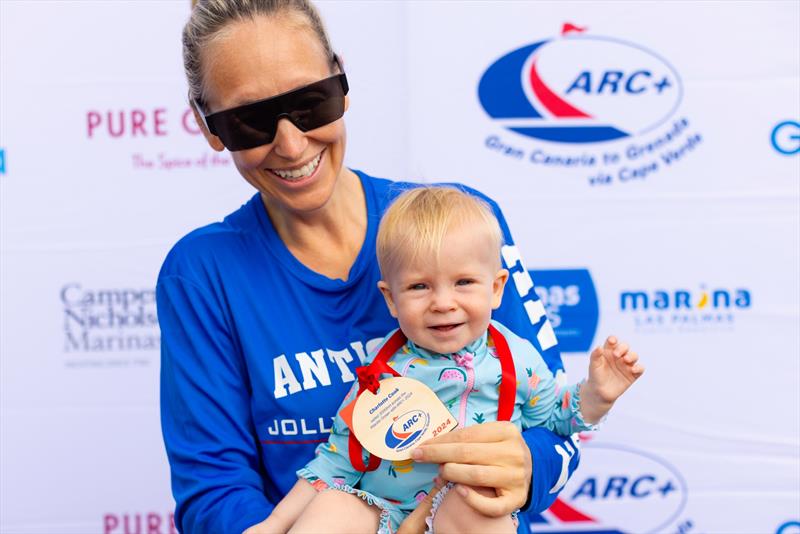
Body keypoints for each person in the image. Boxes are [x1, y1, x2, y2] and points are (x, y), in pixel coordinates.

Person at [160, 1, 582, 532]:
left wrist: (525, 469)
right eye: (249, 121)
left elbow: (557, 429)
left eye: (310, 102)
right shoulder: (202, 274)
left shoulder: (464, 222)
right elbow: (213, 493)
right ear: (208, 126)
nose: (292, 145)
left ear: (342, 80)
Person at [258, 187, 643, 534]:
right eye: (419, 286)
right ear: (391, 299)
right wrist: (272, 525)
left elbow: (559, 419)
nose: (443, 303)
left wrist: (597, 395)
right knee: (333, 505)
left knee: (478, 504)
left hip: (460, 512)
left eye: (463, 283)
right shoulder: (381, 372)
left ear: (496, 289)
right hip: (386, 514)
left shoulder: (516, 359)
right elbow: (335, 459)